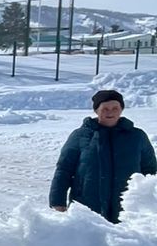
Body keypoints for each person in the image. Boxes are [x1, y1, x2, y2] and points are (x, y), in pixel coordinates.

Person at [48, 89, 156, 224]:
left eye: (115, 108)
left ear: (121, 109)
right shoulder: (81, 135)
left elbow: (151, 171)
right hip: (87, 206)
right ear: (96, 110)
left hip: (129, 209)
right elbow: (64, 169)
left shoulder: (137, 136)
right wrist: (58, 201)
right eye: (105, 108)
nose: (110, 112)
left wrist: (152, 203)